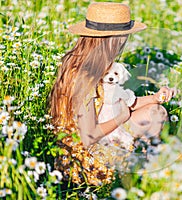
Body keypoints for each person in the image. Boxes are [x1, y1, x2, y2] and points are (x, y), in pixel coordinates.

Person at [49, 2, 175, 185]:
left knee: (155, 111)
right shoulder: (84, 75)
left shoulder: (95, 64)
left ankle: (148, 166)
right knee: (153, 119)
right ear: (115, 39)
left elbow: (117, 102)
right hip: (84, 161)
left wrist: (155, 98)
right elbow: (88, 136)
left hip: (100, 137)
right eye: (124, 37)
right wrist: (122, 117)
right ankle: (144, 175)